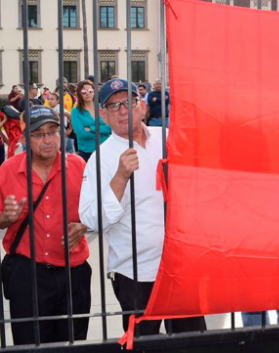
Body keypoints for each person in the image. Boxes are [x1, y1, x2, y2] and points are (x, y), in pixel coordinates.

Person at [79, 78, 205, 336]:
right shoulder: (101, 159)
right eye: (114, 106)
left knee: (192, 341)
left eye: (129, 102)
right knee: (143, 344)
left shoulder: (167, 138)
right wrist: (120, 177)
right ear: (103, 115)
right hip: (136, 274)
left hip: (181, 266)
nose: (123, 110)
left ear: (142, 106)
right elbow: (92, 220)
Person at [0, 106, 90, 345]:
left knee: (74, 342)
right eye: (38, 134)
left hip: (73, 273)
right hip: (27, 274)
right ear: (24, 139)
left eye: (52, 132)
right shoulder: (7, 170)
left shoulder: (79, 166)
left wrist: (84, 225)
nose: (47, 140)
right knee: (29, 344)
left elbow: (97, 209)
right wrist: (6, 218)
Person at [70, 80, 111, 162]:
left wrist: (91, 128)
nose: (87, 93)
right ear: (79, 94)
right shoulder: (75, 111)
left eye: (90, 90)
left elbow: (110, 128)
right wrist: (102, 134)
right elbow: (80, 133)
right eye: (84, 91)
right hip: (86, 152)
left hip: (105, 149)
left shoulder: (102, 108)